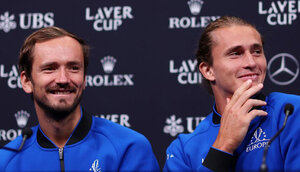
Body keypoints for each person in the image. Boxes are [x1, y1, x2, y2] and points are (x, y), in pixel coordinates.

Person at [0, 26, 159, 172]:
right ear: (27, 81)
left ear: (84, 79)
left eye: (74, 68)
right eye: (50, 69)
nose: (63, 79)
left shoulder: (128, 148)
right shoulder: (7, 161)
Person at [163, 16, 300, 171]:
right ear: (208, 70)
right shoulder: (183, 150)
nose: (251, 63)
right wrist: (224, 145)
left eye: (257, 51)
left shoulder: (291, 113)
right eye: (235, 53)